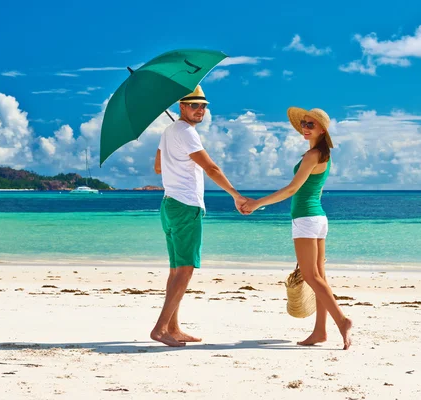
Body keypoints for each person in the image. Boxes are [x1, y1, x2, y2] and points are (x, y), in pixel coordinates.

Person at [241, 107, 352, 350]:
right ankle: (320, 331)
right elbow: (313, 190)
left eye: (311, 124)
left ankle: (342, 321)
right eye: (304, 123)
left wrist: (257, 203)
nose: (305, 126)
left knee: (311, 276)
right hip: (318, 218)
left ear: (322, 129)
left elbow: (292, 189)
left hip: (306, 219)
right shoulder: (322, 155)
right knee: (319, 277)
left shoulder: (313, 155)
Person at [151, 85, 248, 347]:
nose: (200, 110)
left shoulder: (169, 131)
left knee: (175, 270)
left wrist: (180, 157)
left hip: (169, 204)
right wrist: (236, 195)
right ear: (181, 107)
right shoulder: (186, 133)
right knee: (185, 269)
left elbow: (159, 167)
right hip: (185, 206)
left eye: (203, 105)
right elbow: (211, 167)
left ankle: (173, 328)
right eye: (194, 105)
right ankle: (160, 328)